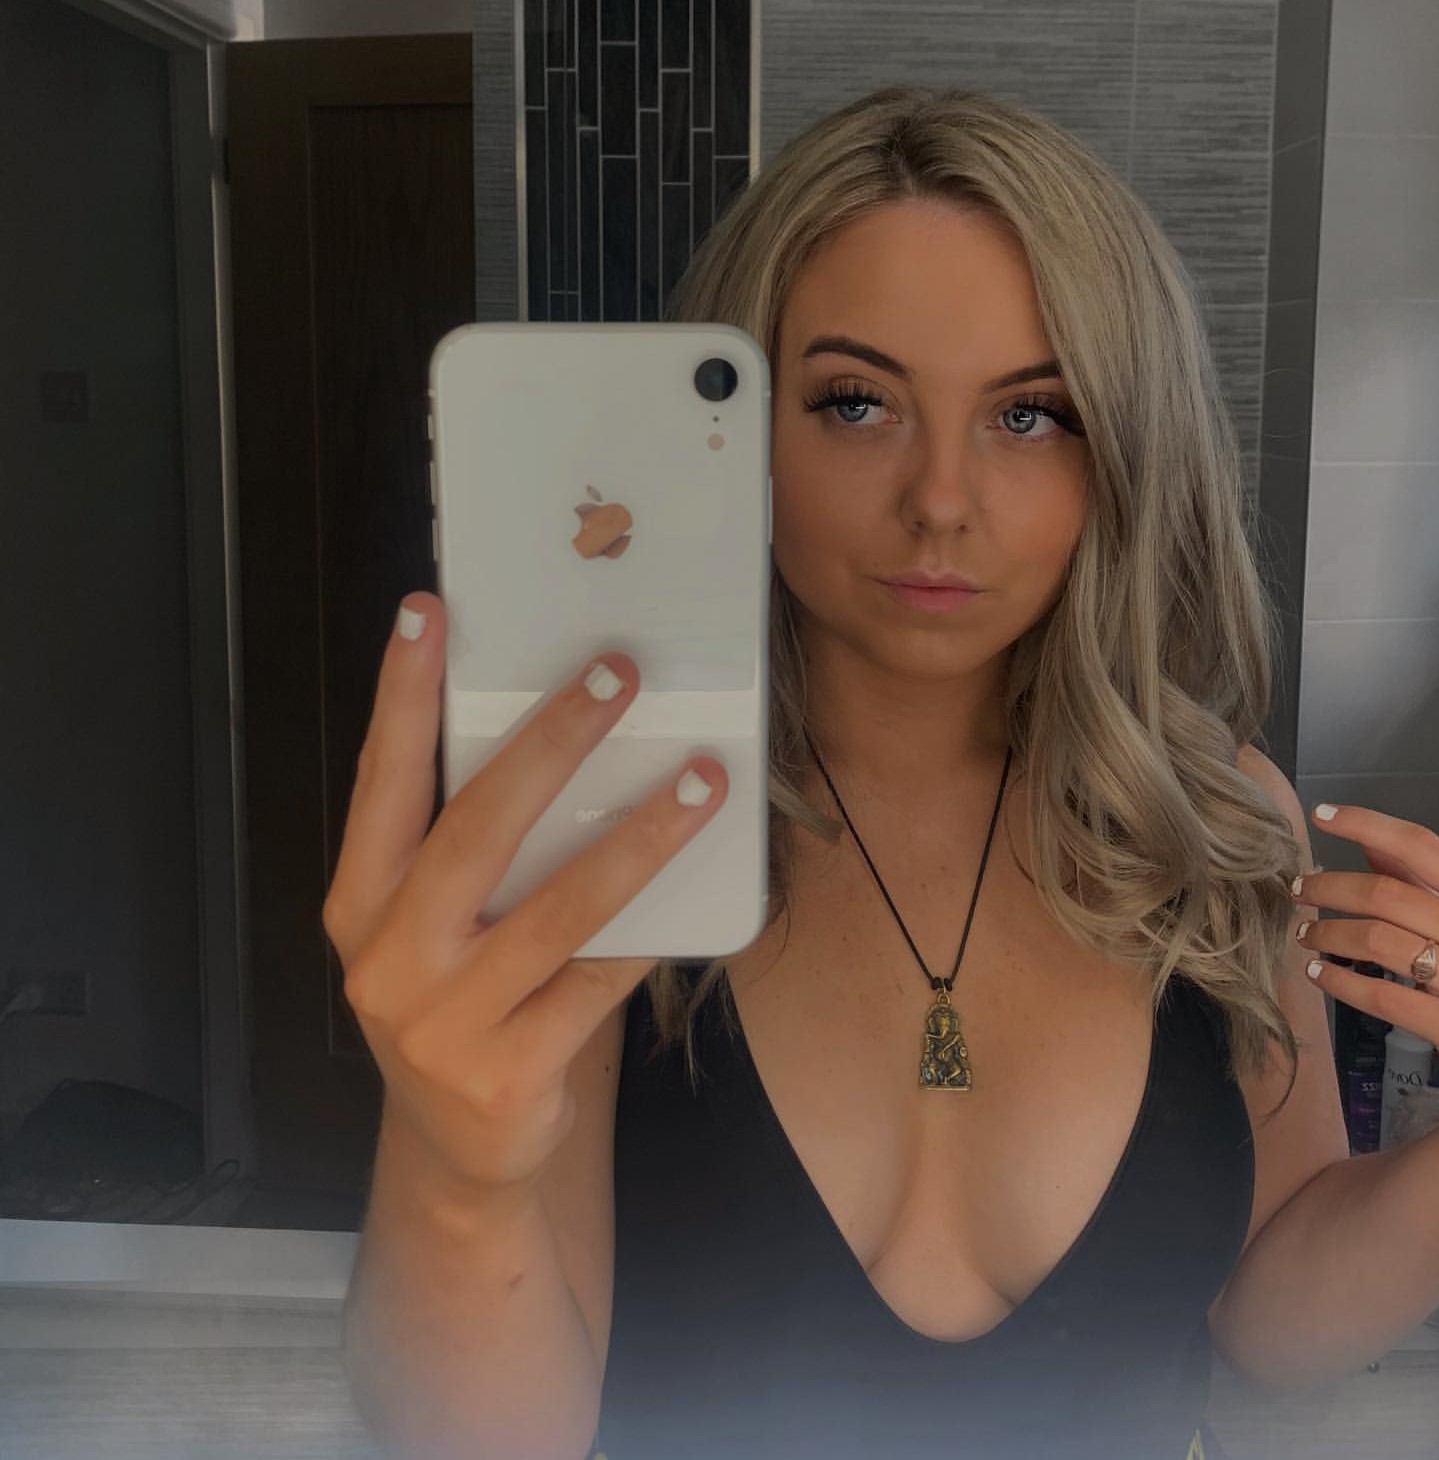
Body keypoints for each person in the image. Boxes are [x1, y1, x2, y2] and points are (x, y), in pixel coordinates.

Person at [321, 87, 1439, 1460]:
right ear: (739, 438)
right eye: (856, 404)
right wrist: (452, 1174)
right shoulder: (607, 835)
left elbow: (1274, 1322)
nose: (941, 501)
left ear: (1128, 451)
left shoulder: (1211, 820)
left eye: (1032, 415)